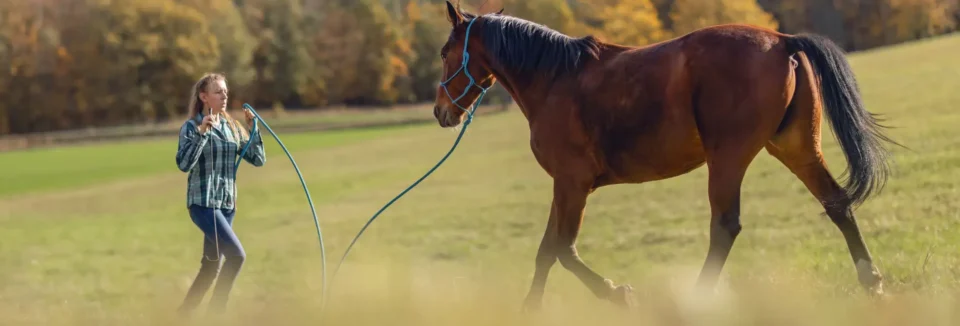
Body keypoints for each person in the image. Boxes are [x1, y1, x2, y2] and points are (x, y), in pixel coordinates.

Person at [174, 73, 266, 316]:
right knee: (236, 256)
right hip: (203, 204)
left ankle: (181, 316)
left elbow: (258, 159)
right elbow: (183, 164)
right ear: (204, 97)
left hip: (226, 206)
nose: (224, 95)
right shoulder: (191, 127)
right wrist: (203, 133)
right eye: (218, 91)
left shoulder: (232, 128)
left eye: (225, 91)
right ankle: (216, 314)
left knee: (211, 266)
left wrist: (253, 130)